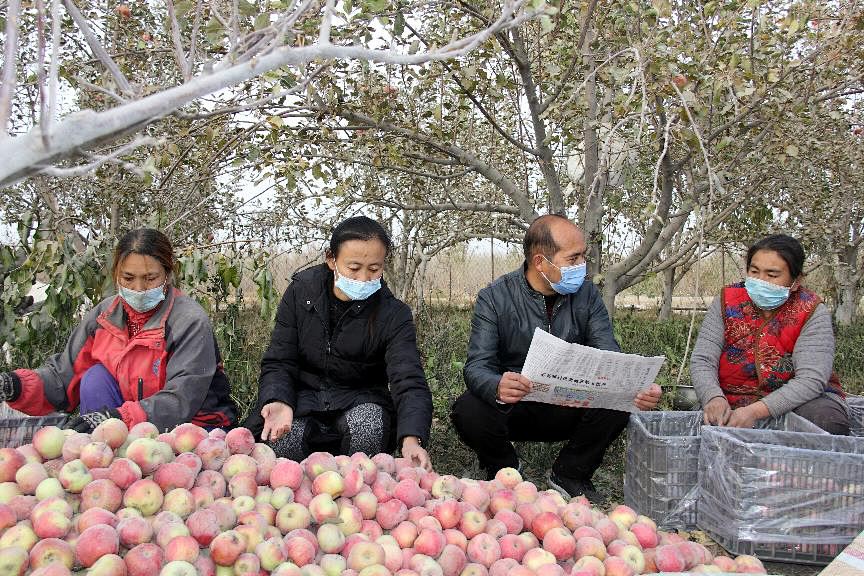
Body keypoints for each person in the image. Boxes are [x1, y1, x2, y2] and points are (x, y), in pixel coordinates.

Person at [450, 215, 662, 503]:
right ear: (540, 262)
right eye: (573, 258)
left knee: (622, 398)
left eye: (583, 256)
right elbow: (477, 366)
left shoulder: (587, 295)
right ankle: (505, 468)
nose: (582, 266)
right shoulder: (495, 297)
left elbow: (608, 352)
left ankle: (571, 473)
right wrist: (497, 385)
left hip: (571, 405)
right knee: (468, 409)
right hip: (517, 407)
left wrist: (637, 386)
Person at [0, 228, 237, 432]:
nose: (139, 288)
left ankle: (116, 448)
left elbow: (181, 399)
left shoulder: (189, 321)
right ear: (116, 274)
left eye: (150, 278)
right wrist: (15, 385)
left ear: (167, 274)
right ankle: (104, 454)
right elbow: (64, 377)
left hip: (193, 427)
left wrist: (120, 418)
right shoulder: (104, 317)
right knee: (94, 378)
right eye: (128, 278)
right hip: (132, 421)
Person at [246, 216, 433, 469]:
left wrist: (411, 437)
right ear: (331, 259)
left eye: (374, 269)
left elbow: (408, 379)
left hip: (360, 400)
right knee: (282, 439)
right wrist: (278, 399)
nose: (364, 278)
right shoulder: (301, 293)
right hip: (303, 400)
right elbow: (280, 359)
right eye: (354, 268)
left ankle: (357, 489)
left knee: (368, 426)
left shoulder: (393, 314)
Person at [691, 234, 849, 435]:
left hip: (799, 401)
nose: (761, 281)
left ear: (796, 281)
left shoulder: (811, 310)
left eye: (772, 275)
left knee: (826, 421)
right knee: (707, 425)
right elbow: (703, 359)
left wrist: (755, 411)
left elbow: (811, 379)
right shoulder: (727, 300)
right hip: (731, 396)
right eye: (754, 272)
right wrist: (713, 397)